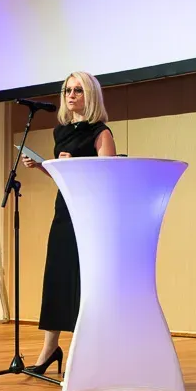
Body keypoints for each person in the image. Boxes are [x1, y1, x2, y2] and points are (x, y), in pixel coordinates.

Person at [20, 71, 116, 374]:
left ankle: (84, 352)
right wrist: (43, 166)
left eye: (77, 90)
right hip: (64, 209)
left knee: (82, 280)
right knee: (57, 277)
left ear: (91, 95)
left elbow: (108, 178)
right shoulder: (60, 132)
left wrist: (76, 165)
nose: (70, 95)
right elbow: (64, 178)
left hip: (89, 214)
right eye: (67, 90)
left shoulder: (101, 132)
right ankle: (49, 349)